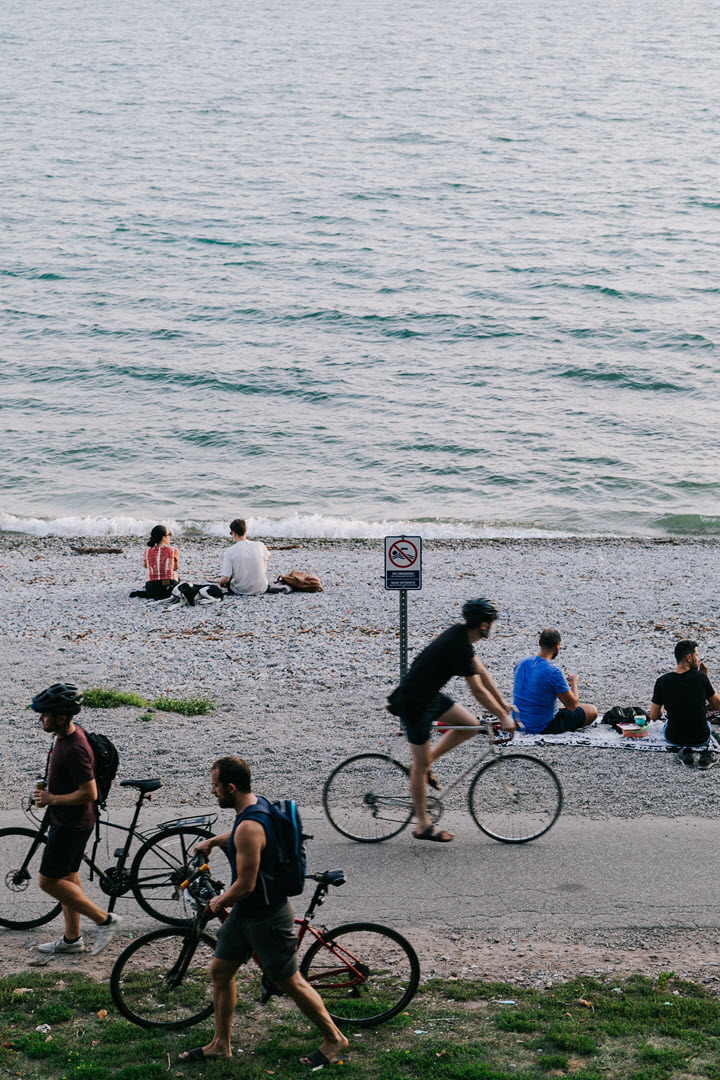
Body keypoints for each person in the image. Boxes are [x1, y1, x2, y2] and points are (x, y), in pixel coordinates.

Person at [180, 756, 348, 1067]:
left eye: (215, 785)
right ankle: (220, 1043)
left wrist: (218, 902)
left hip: (267, 916)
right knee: (220, 971)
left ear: (230, 787)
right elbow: (249, 840)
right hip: (247, 914)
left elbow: (245, 884)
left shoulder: (248, 825)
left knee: (289, 982)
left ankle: (334, 1038)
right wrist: (216, 841)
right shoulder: (255, 806)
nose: (212, 790)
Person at [386, 598, 516, 843]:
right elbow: (477, 690)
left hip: (429, 697)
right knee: (419, 765)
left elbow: (483, 674)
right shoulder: (459, 644)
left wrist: (503, 705)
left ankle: (425, 764)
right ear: (484, 625)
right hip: (414, 703)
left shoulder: (462, 637)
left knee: (469, 725)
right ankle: (423, 825)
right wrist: (503, 718)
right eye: (492, 623)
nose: (493, 627)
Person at [30, 683, 123, 956]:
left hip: (72, 824)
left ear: (61, 716)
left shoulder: (75, 748)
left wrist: (52, 799)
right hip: (70, 820)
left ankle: (106, 920)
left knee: (48, 881)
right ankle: (72, 940)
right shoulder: (66, 735)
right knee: (69, 877)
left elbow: (89, 792)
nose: (40, 719)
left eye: (45, 714)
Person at [649, 639, 720, 770]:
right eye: (697, 655)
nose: (698, 659)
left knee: (667, 723)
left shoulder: (662, 681)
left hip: (673, 738)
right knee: (708, 724)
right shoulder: (701, 677)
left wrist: (666, 698)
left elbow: (653, 716)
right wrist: (706, 678)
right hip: (700, 738)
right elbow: (718, 706)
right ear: (689, 657)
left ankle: (684, 754)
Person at [512, 629, 598, 735]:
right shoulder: (554, 672)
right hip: (541, 726)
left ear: (539, 643)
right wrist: (574, 683)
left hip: (518, 721)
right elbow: (572, 705)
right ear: (557, 645)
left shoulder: (522, 663)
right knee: (591, 710)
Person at [219, 518, 270, 596]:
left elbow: (226, 579)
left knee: (229, 574)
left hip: (241, 590)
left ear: (233, 533)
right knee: (264, 558)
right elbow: (269, 555)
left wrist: (221, 582)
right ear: (245, 531)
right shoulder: (260, 544)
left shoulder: (230, 551)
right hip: (262, 588)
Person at [141, 524, 179, 599]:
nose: (170, 536)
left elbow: (145, 566)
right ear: (163, 538)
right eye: (169, 534)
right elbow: (176, 567)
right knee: (175, 573)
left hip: (152, 590)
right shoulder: (173, 550)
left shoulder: (147, 551)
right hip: (169, 590)